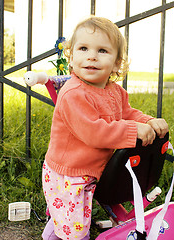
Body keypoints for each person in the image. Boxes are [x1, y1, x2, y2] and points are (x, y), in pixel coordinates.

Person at [42, 16, 169, 240]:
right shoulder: (73, 94)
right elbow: (94, 131)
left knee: (70, 217)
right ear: (71, 58)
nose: (91, 55)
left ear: (117, 63)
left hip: (91, 169)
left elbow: (128, 113)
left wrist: (148, 121)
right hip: (69, 173)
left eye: (102, 51)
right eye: (83, 48)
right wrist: (133, 131)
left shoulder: (113, 91)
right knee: (76, 230)